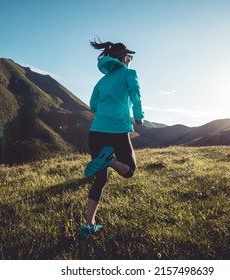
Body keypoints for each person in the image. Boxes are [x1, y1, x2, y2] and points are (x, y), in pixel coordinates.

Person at [80, 39, 144, 238]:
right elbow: (135, 94)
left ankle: (88, 225)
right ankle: (112, 160)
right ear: (125, 58)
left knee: (100, 178)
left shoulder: (101, 81)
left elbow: (93, 105)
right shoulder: (129, 73)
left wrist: (105, 110)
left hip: (96, 131)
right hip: (117, 130)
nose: (130, 60)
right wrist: (139, 116)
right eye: (129, 57)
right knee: (129, 171)